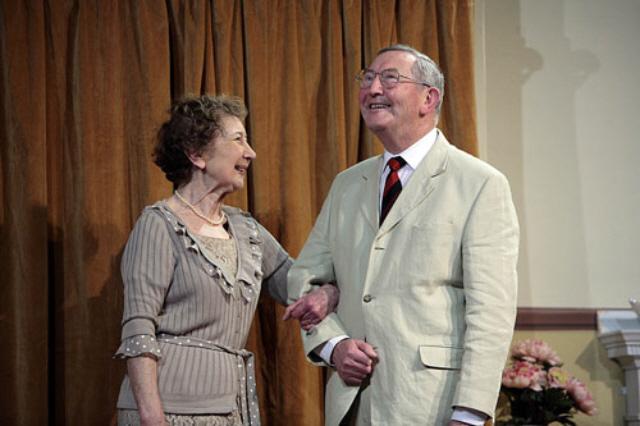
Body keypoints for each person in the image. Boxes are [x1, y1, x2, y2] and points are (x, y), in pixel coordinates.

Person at [287, 45, 519, 425]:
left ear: (429, 98)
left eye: (389, 78)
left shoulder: (479, 183)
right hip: (354, 404)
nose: (373, 88)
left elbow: (491, 310)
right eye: (367, 78)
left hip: (431, 404)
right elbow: (304, 278)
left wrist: (470, 412)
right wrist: (333, 345)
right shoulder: (347, 184)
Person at [114, 94, 337, 426]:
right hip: (167, 411)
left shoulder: (248, 231)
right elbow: (138, 329)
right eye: (237, 139)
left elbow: (299, 284)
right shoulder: (158, 225)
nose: (251, 152)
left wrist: (329, 292)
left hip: (230, 409)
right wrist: (151, 416)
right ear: (197, 154)